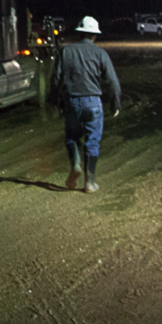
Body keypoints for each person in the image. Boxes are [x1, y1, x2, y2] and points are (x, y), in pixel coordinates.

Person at [52, 15, 122, 192]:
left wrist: (56, 101)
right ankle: (89, 183)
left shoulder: (66, 51)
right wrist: (116, 104)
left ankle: (75, 164)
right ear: (94, 36)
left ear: (79, 34)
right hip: (93, 103)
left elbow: (56, 79)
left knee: (72, 137)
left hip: (72, 102)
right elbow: (112, 82)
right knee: (92, 142)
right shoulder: (101, 54)